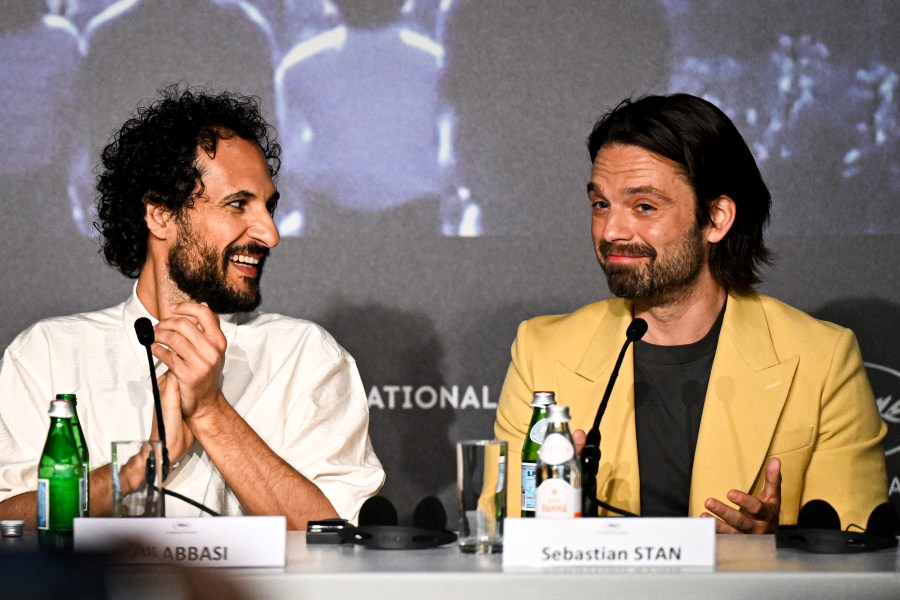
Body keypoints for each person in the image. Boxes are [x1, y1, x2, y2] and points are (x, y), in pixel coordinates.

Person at [495, 93, 888, 533]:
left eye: (644, 206)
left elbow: (861, 555)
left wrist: (778, 546)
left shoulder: (822, 358)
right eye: (601, 204)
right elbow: (504, 539)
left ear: (717, 219)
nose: (611, 230)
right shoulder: (543, 352)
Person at [0, 87, 384, 530]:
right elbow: (8, 523)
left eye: (269, 206)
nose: (270, 234)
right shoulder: (48, 354)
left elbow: (337, 534)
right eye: (239, 204)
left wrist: (210, 411)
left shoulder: (304, 355)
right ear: (160, 214)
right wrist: (141, 467)